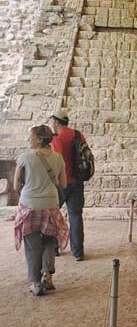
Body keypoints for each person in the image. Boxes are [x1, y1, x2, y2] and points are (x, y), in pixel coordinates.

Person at [14, 125, 68, 296]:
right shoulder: (58, 158)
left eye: (31, 136)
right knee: (50, 242)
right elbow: (63, 184)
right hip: (51, 205)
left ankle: (35, 282)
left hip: (29, 206)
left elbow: (16, 185)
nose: (29, 139)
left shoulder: (24, 157)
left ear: (38, 139)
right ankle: (47, 275)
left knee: (32, 246)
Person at [49, 109, 88, 261]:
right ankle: (78, 252)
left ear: (57, 121)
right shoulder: (78, 135)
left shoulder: (56, 138)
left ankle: (54, 249)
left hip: (61, 183)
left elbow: (57, 161)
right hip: (77, 181)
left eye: (53, 121)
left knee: (52, 215)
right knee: (76, 216)